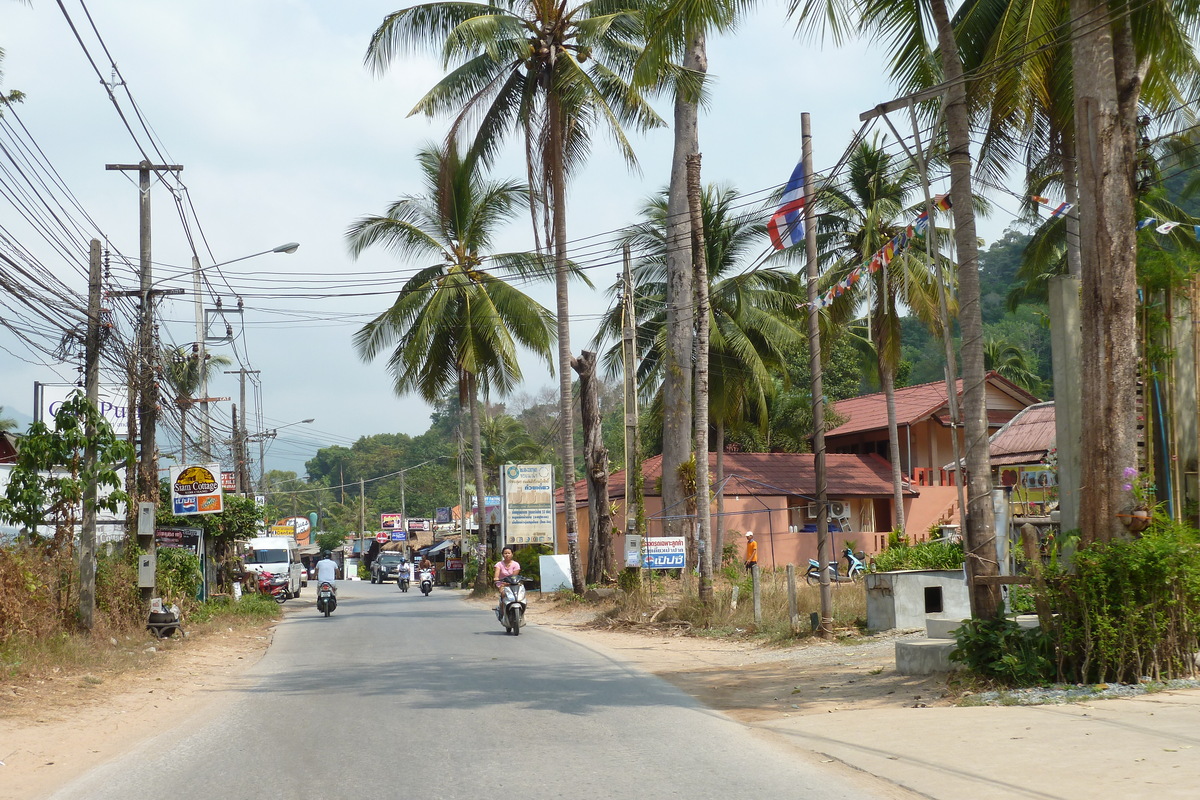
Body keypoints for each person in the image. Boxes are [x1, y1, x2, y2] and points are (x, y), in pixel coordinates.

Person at [493, 546, 520, 617]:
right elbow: (497, 573)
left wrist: (510, 582)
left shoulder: (516, 564)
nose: (507, 555)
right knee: (504, 594)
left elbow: (514, 576)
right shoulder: (499, 564)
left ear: (512, 554)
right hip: (502, 584)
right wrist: (496, 578)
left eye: (509, 553)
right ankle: (502, 610)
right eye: (505, 553)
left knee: (520, 594)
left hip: (513, 584)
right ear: (502, 554)